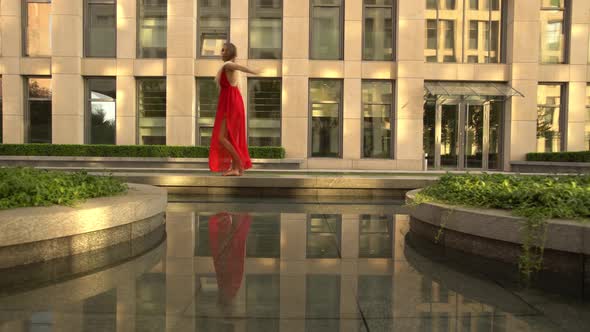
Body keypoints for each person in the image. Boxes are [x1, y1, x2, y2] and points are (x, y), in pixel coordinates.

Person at [209, 42, 259, 176]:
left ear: (230, 52)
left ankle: (239, 164)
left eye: (224, 50)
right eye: (221, 50)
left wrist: (253, 71)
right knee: (230, 137)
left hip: (230, 102)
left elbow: (237, 66)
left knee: (221, 137)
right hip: (232, 101)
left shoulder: (227, 65)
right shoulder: (226, 67)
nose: (221, 52)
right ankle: (235, 169)